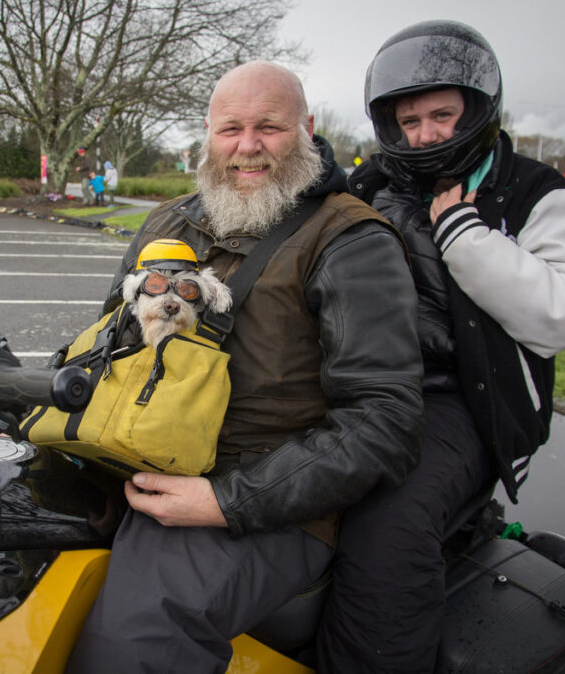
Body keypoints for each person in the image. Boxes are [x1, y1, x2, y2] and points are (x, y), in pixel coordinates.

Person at [65, 61, 424, 673]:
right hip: (128, 453)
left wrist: (226, 502)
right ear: (208, 133)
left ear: (307, 129)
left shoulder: (352, 240)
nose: (248, 147)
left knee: (139, 641)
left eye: (270, 127)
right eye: (230, 128)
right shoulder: (167, 221)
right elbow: (104, 338)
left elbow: (383, 420)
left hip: (262, 498)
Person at [315, 20, 565, 673]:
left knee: (385, 533)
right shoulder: (369, 183)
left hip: (458, 405)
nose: (424, 134)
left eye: (441, 114)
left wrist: (464, 232)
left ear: (476, 109)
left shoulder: (534, 191)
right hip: (357, 380)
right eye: (408, 119)